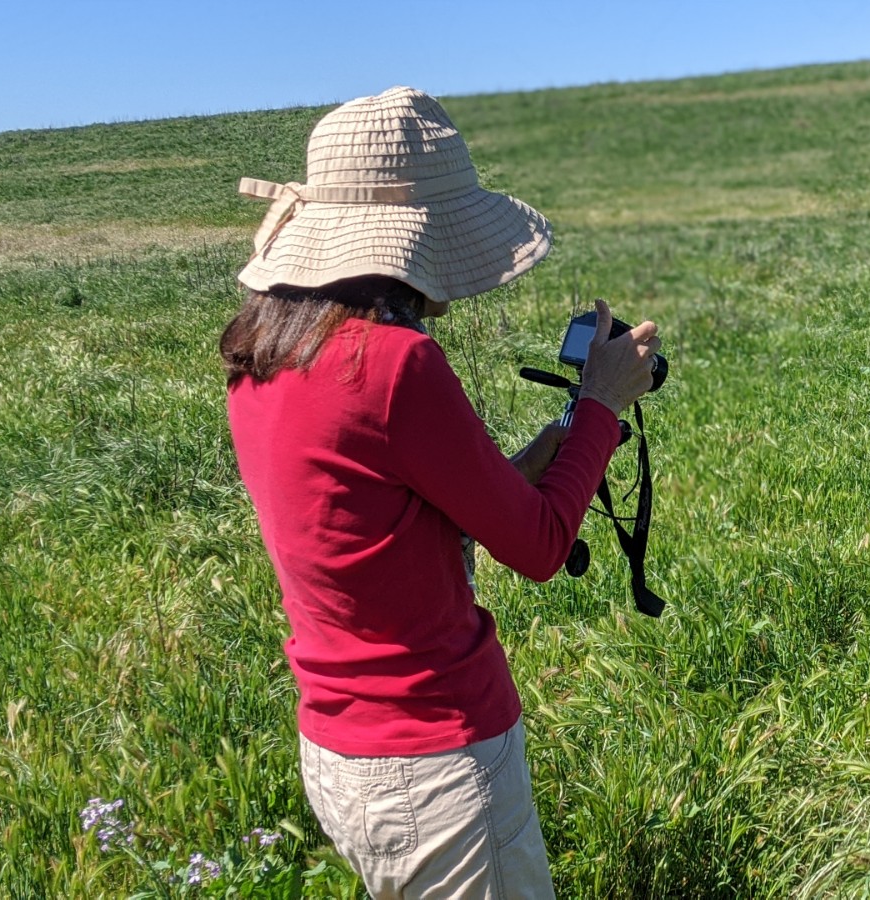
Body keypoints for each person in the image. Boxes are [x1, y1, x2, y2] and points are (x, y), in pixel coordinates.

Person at [220, 86, 660, 898]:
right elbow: (538, 547)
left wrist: (554, 447)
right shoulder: (393, 364)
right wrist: (601, 402)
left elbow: (396, 516)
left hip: (343, 752)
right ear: (414, 241)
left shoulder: (264, 358)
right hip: (439, 762)